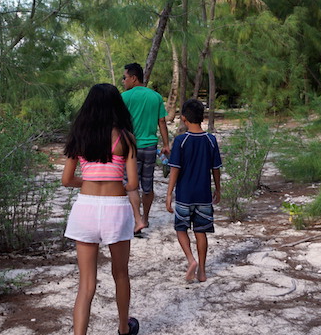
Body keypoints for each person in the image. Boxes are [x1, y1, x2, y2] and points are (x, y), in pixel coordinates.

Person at [62, 84, 143, 335]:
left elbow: (66, 180)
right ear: (116, 106)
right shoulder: (126, 138)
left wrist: (88, 181)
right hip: (115, 210)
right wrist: (113, 180)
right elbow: (132, 183)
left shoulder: (79, 137)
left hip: (84, 208)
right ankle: (123, 328)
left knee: (86, 284)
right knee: (120, 274)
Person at [165, 98, 222, 283]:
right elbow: (216, 169)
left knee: (181, 228)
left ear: (183, 119)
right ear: (202, 117)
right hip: (204, 195)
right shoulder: (211, 140)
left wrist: (168, 194)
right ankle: (202, 272)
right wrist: (218, 190)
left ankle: (191, 260)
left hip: (184, 195)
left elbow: (175, 169)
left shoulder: (181, 141)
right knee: (201, 232)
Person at [121, 62, 171, 231]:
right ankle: (146, 217)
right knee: (147, 185)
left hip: (130, 149)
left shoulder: (125, 97)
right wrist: (166, 144)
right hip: (150, 147)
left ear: (134, 78)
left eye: (125, 77)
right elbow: (162, 121)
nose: (123, 81)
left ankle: (135, 220)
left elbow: (119, 124)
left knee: (131, 185)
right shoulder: (156, 97)